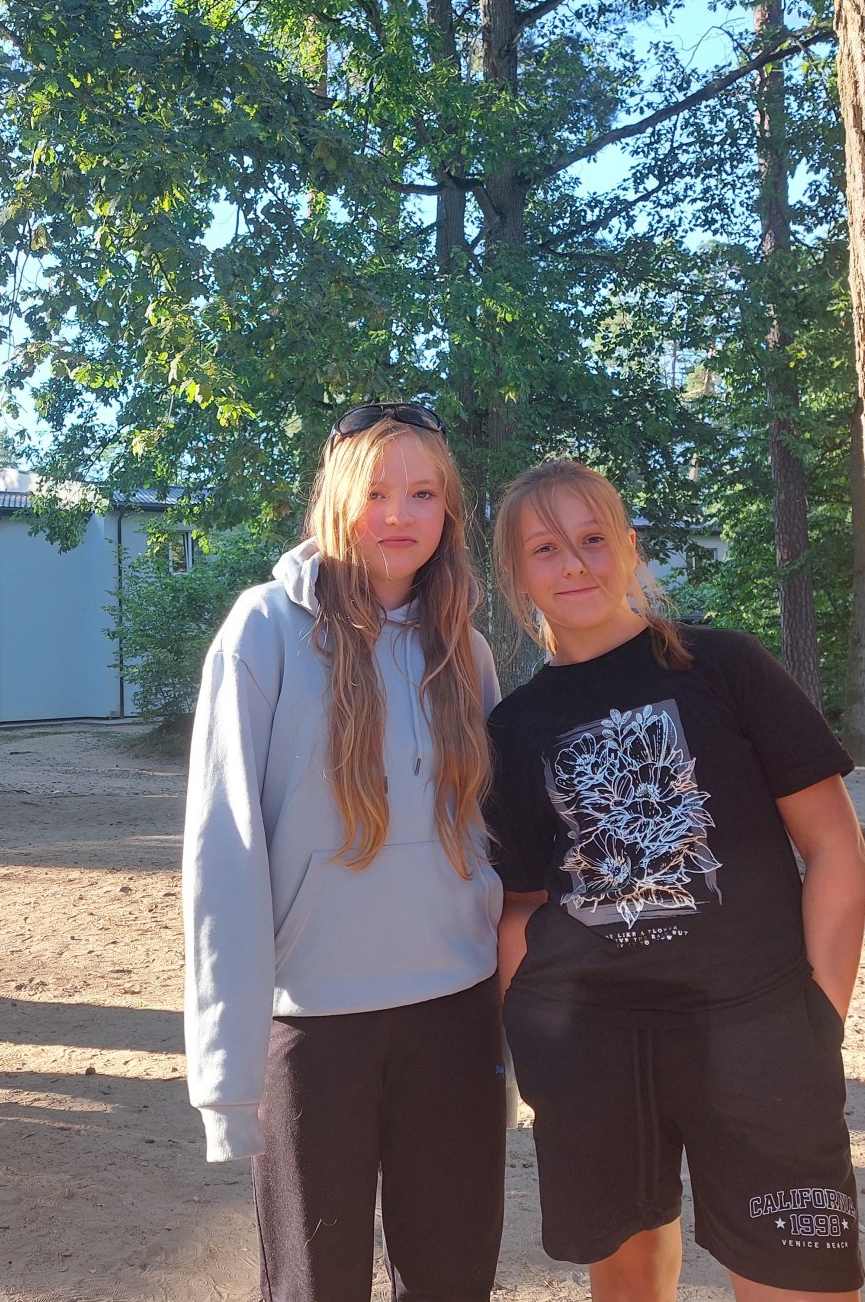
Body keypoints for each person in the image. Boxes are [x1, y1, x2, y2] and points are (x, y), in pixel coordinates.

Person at [485, 459, 865, 1302]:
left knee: (803, 1282)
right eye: (545, 549)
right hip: (591, 1047)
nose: (574, 565)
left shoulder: (723, 666)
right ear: (516, 575)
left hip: (759, 1027)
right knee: (626, 1280)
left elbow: (834, 845)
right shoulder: (513, 728)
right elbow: (521, 905)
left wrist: (822, 1013)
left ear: (629, 546)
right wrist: (533, 1047)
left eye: (592, 539)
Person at [184, 401, 508, 1301]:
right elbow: (224, 850)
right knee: (315, 1286)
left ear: (449, 511)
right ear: (334, 500)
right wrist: (225, 1074)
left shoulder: (467, 650)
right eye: (375, 492)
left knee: (452, 1282)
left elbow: (496, 842)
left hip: (457, 1017)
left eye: (423, 493)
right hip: (315, 1024)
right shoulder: (263, 630)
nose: (399, 514)